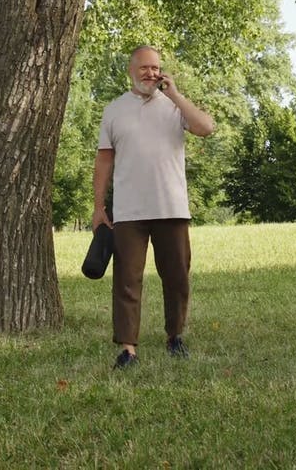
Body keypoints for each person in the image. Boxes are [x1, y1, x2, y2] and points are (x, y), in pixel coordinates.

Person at [92, 45, 215, 369]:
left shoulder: (175, 106)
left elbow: (206, 128)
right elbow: (104, 161)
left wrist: (175, 95)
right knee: (127, 280)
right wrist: (98, 206)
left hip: (171, 207)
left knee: (177, 277)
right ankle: (128, 349)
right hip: (129, 211)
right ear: (131, 70)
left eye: (156, 67)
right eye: (144, 67)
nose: (151, 73)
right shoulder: (114, 110)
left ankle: (175, 336)